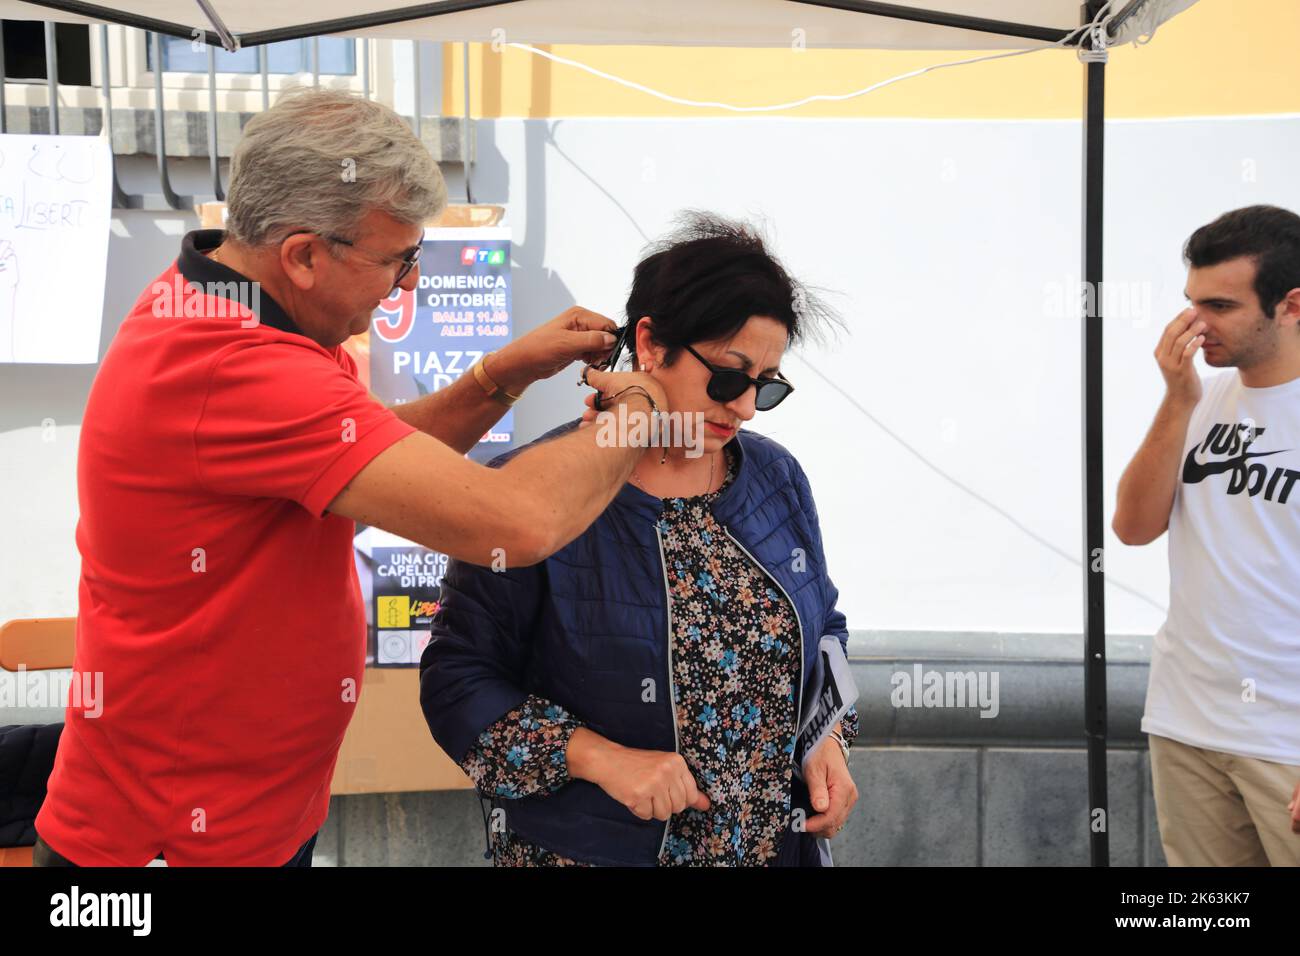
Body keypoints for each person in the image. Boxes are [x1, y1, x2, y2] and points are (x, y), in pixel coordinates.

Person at [33, 88, 664, 866]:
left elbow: (358, 459)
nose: (406, 287)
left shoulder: (241, 303)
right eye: (396, 261)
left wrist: (496, 378)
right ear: (302, 254)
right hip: (167, 840)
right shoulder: (234, 367)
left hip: (250, 814)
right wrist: (637, 412)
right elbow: (517, 524)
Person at [420, 213, 859, 866]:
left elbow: (825, 626)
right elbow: (457, 684)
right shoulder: (534, 495)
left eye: (765, 386)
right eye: (729, 377)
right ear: (651, 343)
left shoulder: (776, 478)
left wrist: (828, 739)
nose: (742, 406)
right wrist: (600, 759)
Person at [1114, 204, 1300, 865]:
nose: (1195, 324)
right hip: (1186, 722)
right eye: (1191, 302)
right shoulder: (1200, 397)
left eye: (1219, 305)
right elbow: (1132, 528)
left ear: (1291, 305)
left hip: (1288, 740)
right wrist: (1178, 398)